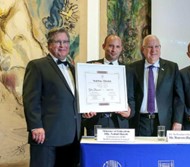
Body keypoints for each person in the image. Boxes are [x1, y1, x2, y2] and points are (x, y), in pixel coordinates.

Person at [23, 28, 81, 167]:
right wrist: (35, 126)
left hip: (72, 136)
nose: (63, 45)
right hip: (47, 136)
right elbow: (30, 99)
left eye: (66, 42)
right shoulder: (37, 66)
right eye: (58, 42)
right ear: (49, 45)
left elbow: (72, 100)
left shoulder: (73, 69)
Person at [128, 34, 185, 136]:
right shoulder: (133, 68)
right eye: (149, 47)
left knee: (163, 152)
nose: (153, 50)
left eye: (157, 47)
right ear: (143, 49)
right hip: (140, 122)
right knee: (141, 151)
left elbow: (179, 98)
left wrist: (178, 121)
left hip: (164, 122)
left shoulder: (172, 68)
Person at [82, 34, 133, 136]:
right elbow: (83, 94)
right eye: (110, 46)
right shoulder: (90, 66)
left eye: (117, 47)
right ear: (103, 46)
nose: (114, 50)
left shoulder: (128, 71)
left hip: (119, 123)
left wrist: (130, 112)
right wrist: (84, 111)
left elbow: (131, 98)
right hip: (96, 122)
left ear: (121, 49)